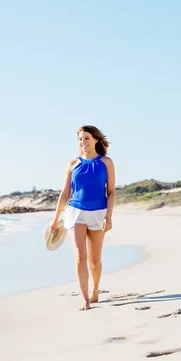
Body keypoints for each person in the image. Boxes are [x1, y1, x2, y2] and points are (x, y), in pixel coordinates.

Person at [49, 125, 115, 311]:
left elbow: (111, 192)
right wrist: (55, 219)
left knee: (94, 261)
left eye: (86, 138)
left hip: (98, 213)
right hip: (75, 213)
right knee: (80, 257)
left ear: (95, 139)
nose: (83, 142)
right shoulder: (73, 164)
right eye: (80, 139)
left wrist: (109, 216)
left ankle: (95, 289)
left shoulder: (106, 162)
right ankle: (85, 299)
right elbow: (65, 193)